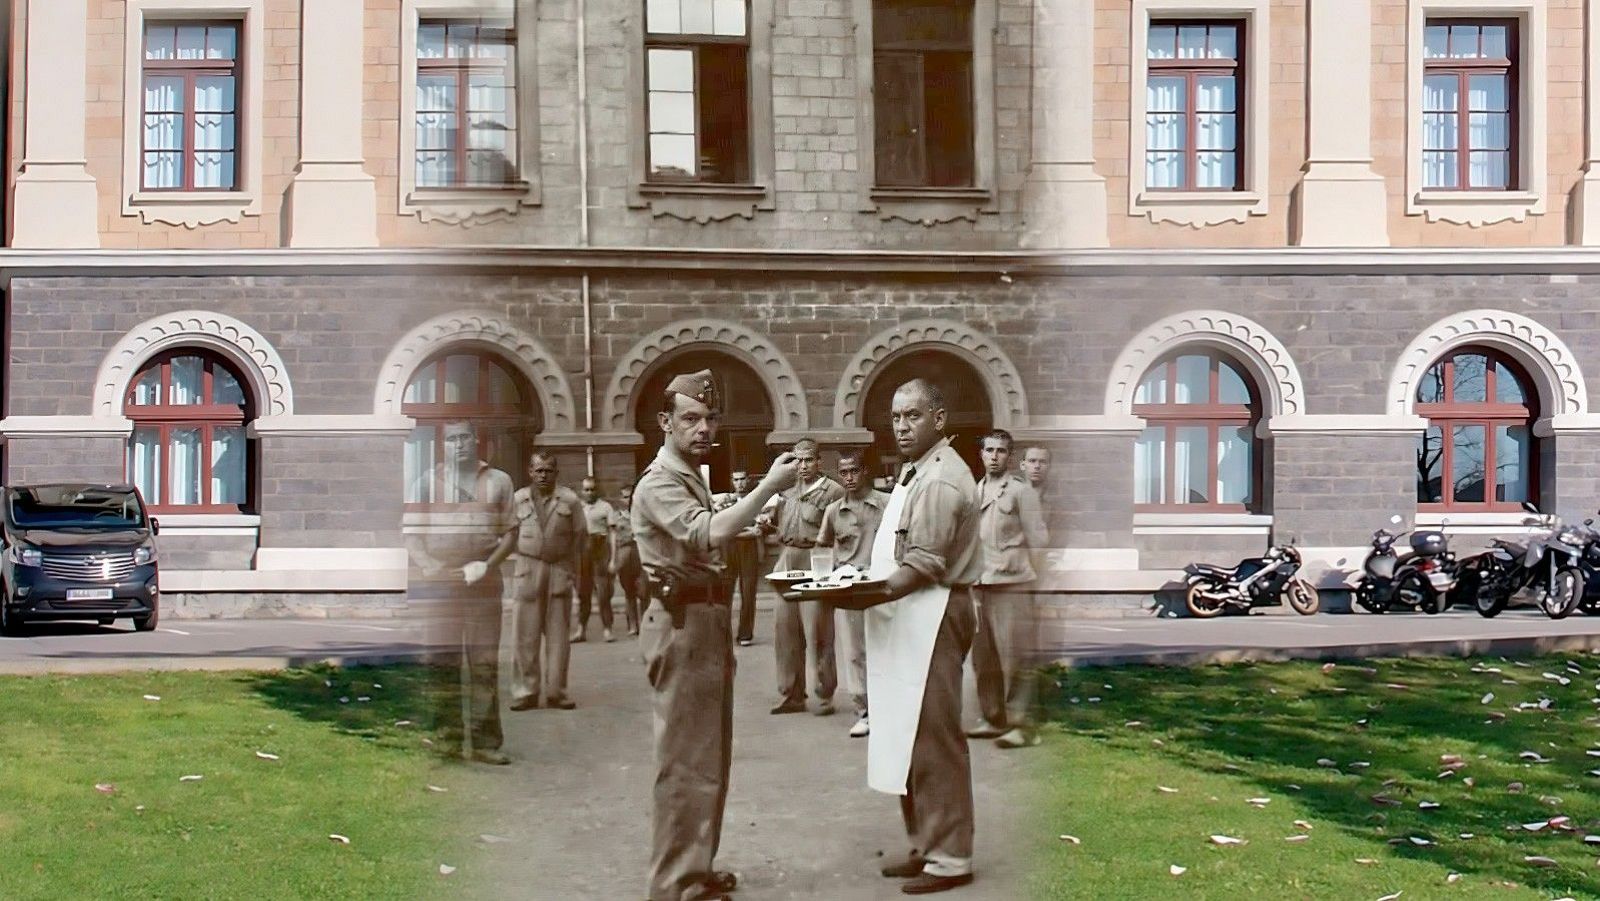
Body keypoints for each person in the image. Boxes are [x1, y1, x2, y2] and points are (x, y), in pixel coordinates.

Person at [633, 369, 800, 901]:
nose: (704, 428)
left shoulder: (689, 475)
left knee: (708, 757)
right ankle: (674, 884)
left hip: (702, 621)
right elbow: (705, 532)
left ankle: (695, 867)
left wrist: (737, 513)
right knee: (685, 763)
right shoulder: (660, 480)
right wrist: (770, 488)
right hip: (682, 624)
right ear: (666, 421)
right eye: (691, 418)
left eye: (709, 419)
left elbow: (708, 528)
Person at [857, 378, 983, 895]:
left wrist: (861, 592)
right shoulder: (918, 471)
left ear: (939, 418)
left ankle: (951, 858)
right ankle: (926, 843)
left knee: (935, 738)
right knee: (909, 733)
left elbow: (925, 563)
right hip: (910, 612)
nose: (902, 426)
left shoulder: (942, 480)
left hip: (934, 611)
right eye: (895, 417)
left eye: (912, 415)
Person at [404, 420, 518, 766]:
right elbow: (411, 532)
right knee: (443, 663)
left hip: (483, 578)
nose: (459, 445)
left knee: (483, 663)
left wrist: (487, 564)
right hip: (442, 582)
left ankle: (485, 743)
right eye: (451, 439)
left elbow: (512, 532)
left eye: (464, 437)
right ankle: (447, 743)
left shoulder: (499, 481)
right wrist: (428, 565)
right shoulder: (426, 481)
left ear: (476, 440)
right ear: (443, 445)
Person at [970, 429, 1049, 749]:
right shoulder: (975, 491)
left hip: (1013, 584)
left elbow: (1039, 541)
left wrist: (1036, 588)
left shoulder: (1021, 492)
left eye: (1001, 451)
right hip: (982, 584)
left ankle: (1022, 724)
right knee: (984, 658)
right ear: (981, 454)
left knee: (1016, 658)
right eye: (989, 450)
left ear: (1009, 457)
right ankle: (993, 718)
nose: (994, 456)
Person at [755, 438, 845, 715]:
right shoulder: (786, 490)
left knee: (817, 630)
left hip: (815, 560)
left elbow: (843, 530)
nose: (803, 466)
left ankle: (824, 693)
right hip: (786, 560)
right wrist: (766, 522)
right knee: (785, 631)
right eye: (798, 460)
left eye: (808, 460)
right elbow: (778, 522)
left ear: (819, 462)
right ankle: (791, 693)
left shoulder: (833, 492)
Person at [816, 447, 890, 739]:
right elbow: (823, 548)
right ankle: (864, 712)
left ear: (865, 472)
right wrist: (834, 572)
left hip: (885, 587)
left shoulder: (887, 504)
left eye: (853, 471)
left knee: (887, 649)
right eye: (843, 472)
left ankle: (891, 709)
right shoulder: (834, 511)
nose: (848, 478)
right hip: (849, 590)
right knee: (855, 654)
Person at [508, 451, 583, 712]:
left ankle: (557, 692)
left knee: (558, 638)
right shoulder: (518, 499)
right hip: (527, 568)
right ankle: (525, 691)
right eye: (538, 470)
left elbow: (580, 538)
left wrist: (572, 570)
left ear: (556, 473)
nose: (543, 475)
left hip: (559, 569)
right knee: (524, 636)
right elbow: (507, 534)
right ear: (530, 471)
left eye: (548, 470)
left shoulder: (570, 500)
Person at [711, 470, 763, 646]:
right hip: (729, 549)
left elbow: (761, 528)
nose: (740, 483)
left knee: (748, 592)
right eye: (736, 480)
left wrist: (740, 531)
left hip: (749, 551)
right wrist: (748, 531)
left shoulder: (755, 501)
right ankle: (722, 634)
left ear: (748, 480)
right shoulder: (725, 502)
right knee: (725, 592)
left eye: (742, 479)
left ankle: (745, 634)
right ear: (732, 481)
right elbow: (723, 528)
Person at [574, 476, 619, 643]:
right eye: (586, 489)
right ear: (582, 491)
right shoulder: (577, 507)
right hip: (582, 552)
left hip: (600, 551)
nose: (589, 492)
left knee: (603, 594)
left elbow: (613, 534)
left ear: (597, 490)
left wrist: (613, 559)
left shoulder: (605, 507)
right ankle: (581, 630)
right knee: (582, 593)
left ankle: (607, 630)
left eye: (592, 489)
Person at [610, 483, 644, 637]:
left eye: (631, 496)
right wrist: (613, 560)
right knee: (629, 591)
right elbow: (612, 538)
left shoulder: (642, 513)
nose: (628, 499)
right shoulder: (616, 516)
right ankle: (632, 625)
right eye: (625, 497)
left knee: (643, 590)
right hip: (624, 552)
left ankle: (644, 624)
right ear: (620, 499)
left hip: (640, 552)